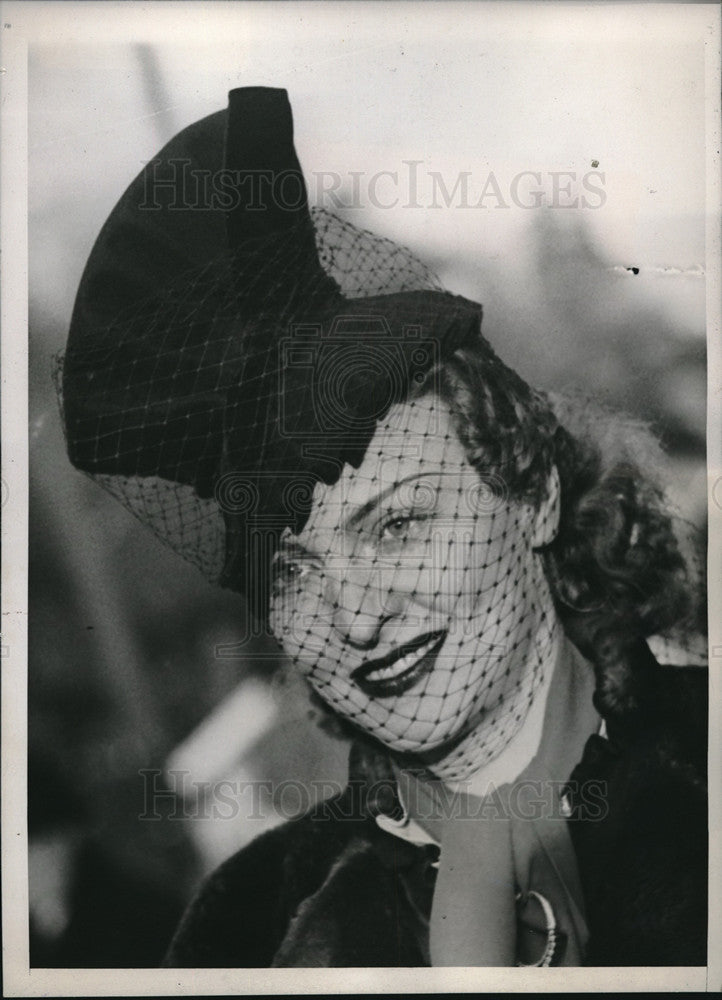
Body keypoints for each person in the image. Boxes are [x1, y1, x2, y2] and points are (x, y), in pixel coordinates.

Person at [61, 87, 707, 968]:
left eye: (397, 523)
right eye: (291, 572)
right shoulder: (250, 924)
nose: (355, 616)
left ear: (532, 491)